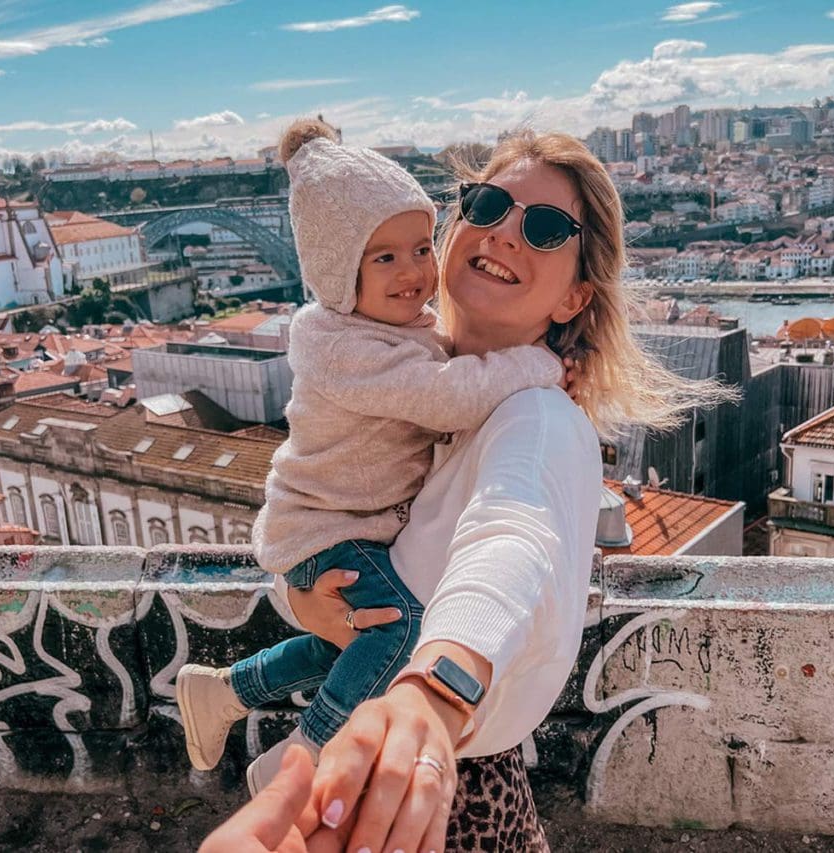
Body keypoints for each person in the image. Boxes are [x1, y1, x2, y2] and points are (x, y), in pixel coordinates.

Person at [262, 129, 737, 852]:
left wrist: (436, 686)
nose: (507, 232)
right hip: (399, 787)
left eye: (545, 228)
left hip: (444, 801)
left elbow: (511, 540)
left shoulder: (536, 417)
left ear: (578, 293)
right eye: (488, 204)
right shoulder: (430, 395)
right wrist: (305, 597)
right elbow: (341, 521)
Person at [176, 119, 566, 797]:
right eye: (384, 258)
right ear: (337, 270)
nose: (414, 271)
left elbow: (514, 532)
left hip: (334, 526)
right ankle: (305, 754)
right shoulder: (347, 345)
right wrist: (537, 361)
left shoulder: (396, 330)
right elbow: (442, 398)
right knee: (403, 628)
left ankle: (224, 691)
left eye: (421, 247)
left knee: (355, 640)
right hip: (330, 526)